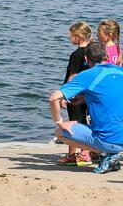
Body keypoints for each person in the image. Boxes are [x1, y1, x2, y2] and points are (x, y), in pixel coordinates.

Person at [50, 42, 123, 174]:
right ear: (106, 56)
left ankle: (106, 154)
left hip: (108, 139)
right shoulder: (119, 71)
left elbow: (54, 98)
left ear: (86, 59)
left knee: (60, 132)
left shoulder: (88, 75)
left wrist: (59, 122)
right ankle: (112, 155)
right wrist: (85, 99)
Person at [56, 22, 93, 166]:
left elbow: (72, 75)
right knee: (85, 121)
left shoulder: (77, 54)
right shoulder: (91, 52)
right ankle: (87, 152)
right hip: (88, 93)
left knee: (74, 122)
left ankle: (72, 155)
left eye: (71, 36)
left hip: (75, 93)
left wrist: (64, 94)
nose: (70, 39)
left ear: (79, 36)